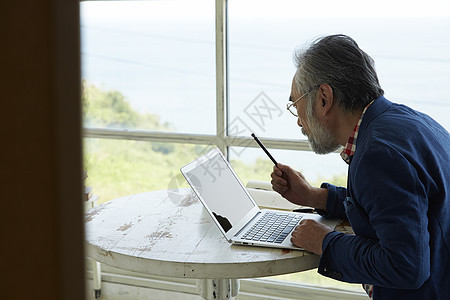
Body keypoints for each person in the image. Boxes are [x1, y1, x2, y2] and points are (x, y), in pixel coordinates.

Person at [270, 34, 450, 299]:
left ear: (323, 98)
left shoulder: (378, 155)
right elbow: (387, 206)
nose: (299, 122)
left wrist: (324, 242)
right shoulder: (409, 122)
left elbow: (405, 267)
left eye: (296, 105)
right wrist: (313, 196)